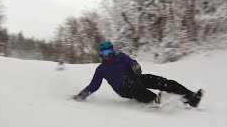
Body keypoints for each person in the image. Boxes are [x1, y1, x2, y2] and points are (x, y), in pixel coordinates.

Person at [73, 41, 203, 107]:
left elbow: (131, 62)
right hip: (123, 87)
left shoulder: (121, 56)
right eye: (106, 53)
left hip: (136, 77)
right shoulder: (101, 69)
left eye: (110, 51)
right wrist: (80, 96)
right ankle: (156, 100)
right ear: (101, 54)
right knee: (133, 86)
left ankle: (191, 98)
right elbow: (93, 86)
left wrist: (135, 66)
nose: (109, 55)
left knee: (163, 81)